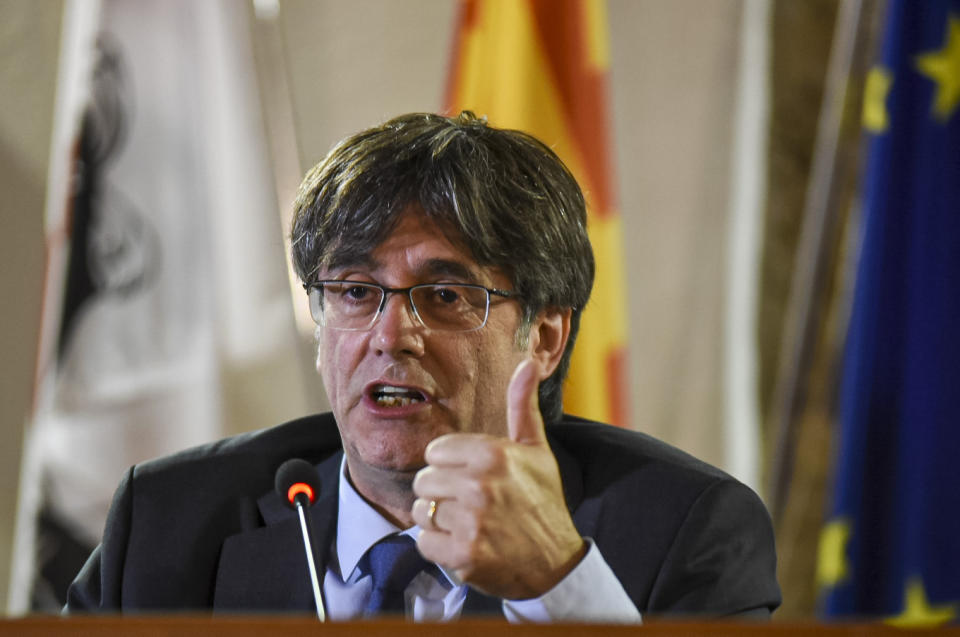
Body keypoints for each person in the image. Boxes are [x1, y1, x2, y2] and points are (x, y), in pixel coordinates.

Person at [66, 112, 781, 621]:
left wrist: (558, 586)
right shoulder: (167, 523)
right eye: (353, 291)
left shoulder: (685, 532)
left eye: (444, 295)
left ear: (546, 336)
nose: (391, 334)